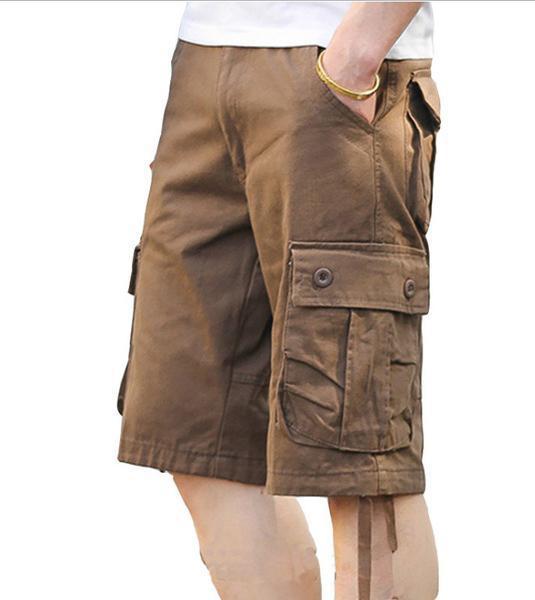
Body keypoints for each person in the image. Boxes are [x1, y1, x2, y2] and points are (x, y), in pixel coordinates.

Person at [116, 2, 441, 598]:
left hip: (337, 65)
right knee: (197, 429)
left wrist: (356, 53)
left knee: (356, 452)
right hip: (206, 57)